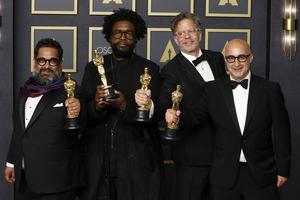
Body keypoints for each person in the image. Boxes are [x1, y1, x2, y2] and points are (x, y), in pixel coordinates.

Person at [166, 39, 291, 200]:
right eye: (231, 58)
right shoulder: (212, 89)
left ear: (250, 58)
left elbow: (282, 133)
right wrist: (176, 117)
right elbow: (194, 118)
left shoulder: (270, 89)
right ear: (225, 60)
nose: (236, 63)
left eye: (242, 57)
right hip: (223, 175)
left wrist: (283, 169)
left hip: (262, 173)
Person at [78, 8, 162, 200]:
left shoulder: (150, 70)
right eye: (117, 32)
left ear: (137, 37)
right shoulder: (93, 67)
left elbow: (156, 115)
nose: (123, 37)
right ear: (109, 36)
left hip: (137, 157)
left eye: (129, 33)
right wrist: (97, 105)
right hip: (98, 157)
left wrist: (125, 105)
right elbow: (83, 114)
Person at [4, 38, 85, 200]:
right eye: (41, 60)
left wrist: (78, 112)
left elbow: (83, 127)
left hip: (57, 182)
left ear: (60, 64)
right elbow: (20, 130)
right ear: (35, 62)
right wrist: (11, 162)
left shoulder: (71, 90)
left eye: (52, 61)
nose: (46, 66)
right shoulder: (25, 90)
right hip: (24, 179)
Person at [158, 12, 226, 200]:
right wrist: (170, 114)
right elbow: (166, 103)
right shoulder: (170, 70)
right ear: (175, 40)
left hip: (225, 153)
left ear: (200, 34)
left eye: (191, 31)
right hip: (192, 156)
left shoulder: (217, 58)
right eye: (181, 33)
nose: (186, 37)